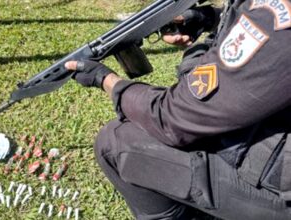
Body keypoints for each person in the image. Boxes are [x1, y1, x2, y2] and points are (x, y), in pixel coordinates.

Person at [65, 0, 291, 219]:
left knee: (115, 142)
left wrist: (108, 81)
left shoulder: (277, 16)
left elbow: (172, 119)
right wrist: (209, 18)